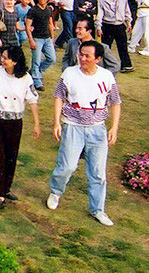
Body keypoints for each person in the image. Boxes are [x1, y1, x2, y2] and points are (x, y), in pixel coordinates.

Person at [47, 40, 122, 226]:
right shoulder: (69, 73)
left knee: (97, 172)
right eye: (81, 54)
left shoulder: (106, 76)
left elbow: (115, 102)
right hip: (72, 126)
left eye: (87, 56)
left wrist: (114, 127)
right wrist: (56, 122)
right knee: (67, 166)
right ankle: (56, 192)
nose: (83, 58)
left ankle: (98, 209)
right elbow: (59, 97)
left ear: (98, 58)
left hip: (97, 129)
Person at [0, 47, 40, 208]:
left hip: (14, 122)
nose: (2, 60)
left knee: (11, 156)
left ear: (15, 61)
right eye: (2, 57)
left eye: (6, 58)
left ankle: (6, 188)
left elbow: (32, 100)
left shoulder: (26, 78)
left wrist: (36, 123)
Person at [95, 0, 133, 73]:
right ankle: (104, 66)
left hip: (119, 25)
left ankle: (126, 65)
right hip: (107, 25)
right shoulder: (101, 1)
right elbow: (99, 15)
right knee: (106, 47)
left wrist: (129, 23)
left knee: (122, 46)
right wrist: (98, 27)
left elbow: (127, 11)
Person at [25, 0, 57, 91]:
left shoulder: (49, 10)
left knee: (52, 59)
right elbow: (27, 26)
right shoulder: (33, 10)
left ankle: (35, 72)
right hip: (37, 38)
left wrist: (52, 38)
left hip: (47, 38)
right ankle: (37, 81)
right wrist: (31, 40)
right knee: (36, 60)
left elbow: (50, 24)